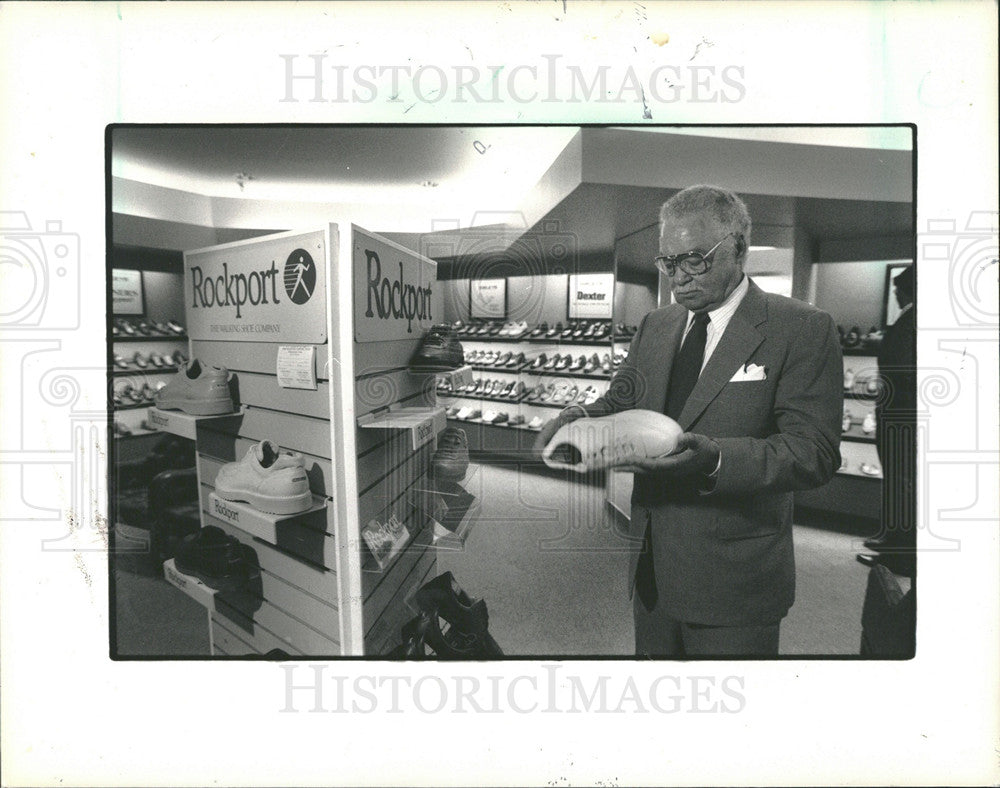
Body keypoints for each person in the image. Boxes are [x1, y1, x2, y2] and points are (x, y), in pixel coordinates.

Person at [534, 185, 843, 657]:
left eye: (695, 259)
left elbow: (814, 452)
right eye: (668, 262)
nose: (679, 278)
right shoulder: (656, 326)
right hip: (652, 566)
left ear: (737, 248)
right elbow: (619, 402)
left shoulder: (801, 327)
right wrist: (577, 416)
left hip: (735, 583)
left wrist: (714, 460)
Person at [858, 265, 917, 577]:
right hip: (897, 416)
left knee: (902, 484)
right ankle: (893, 544)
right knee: (897, 482)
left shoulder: (912, 321)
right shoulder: (910, 320)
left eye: (898, 288)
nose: (895, 293)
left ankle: (899, 555)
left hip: (901, 418)